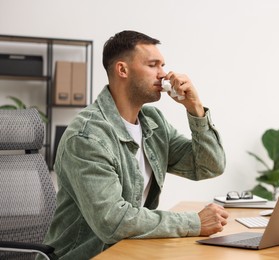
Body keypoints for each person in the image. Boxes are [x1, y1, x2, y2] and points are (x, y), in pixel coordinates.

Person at [41, 30, 229, 259]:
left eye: (163, 65)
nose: (164, 75)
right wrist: (194, 222)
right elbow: (113, 222)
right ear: (122, 70)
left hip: (129, 252)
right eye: (153, 65)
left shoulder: (153, 123)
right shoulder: (87, 137)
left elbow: (208, 166)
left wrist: (196, 109)